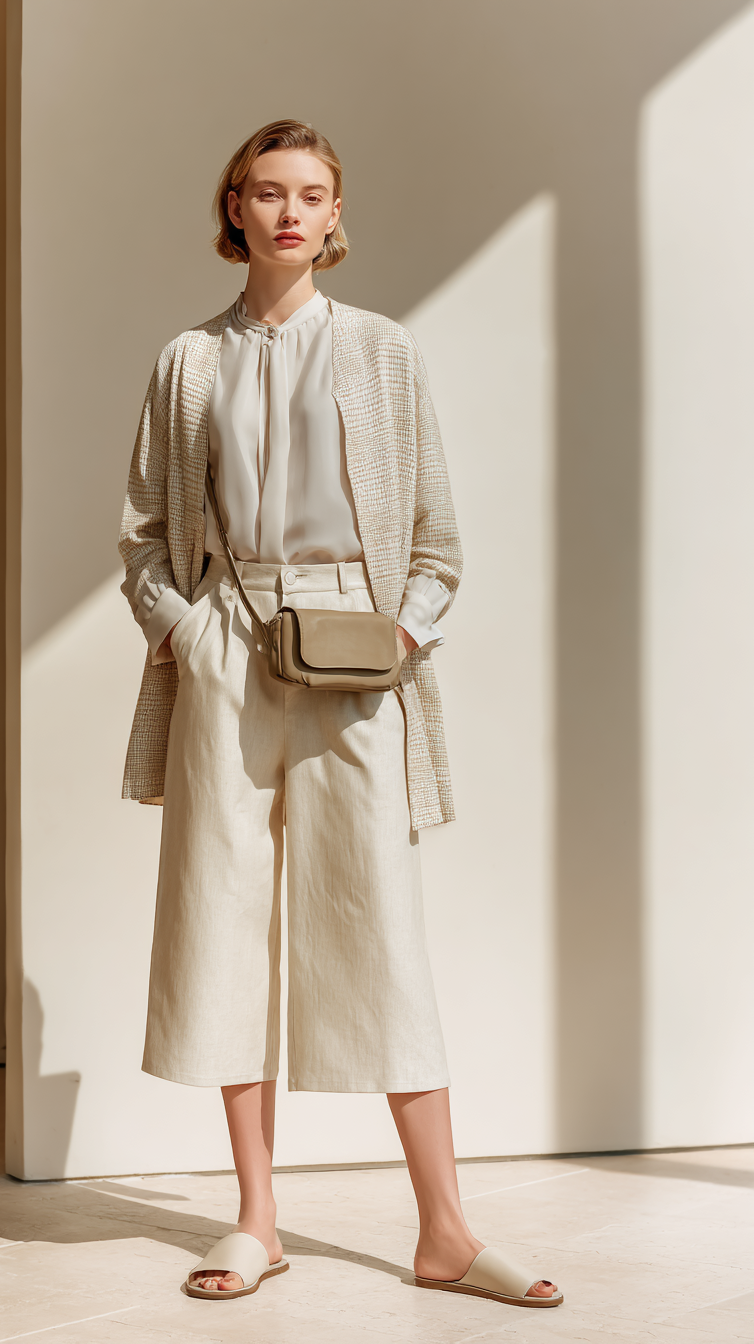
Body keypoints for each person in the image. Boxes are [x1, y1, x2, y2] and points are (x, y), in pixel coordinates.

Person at [118, 119, 562, 1309]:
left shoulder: (379, 353)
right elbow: (146, 539)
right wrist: (185, 633)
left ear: (333, 213)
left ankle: (446, 1232)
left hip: (352, 661)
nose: (288, 213)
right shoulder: (186, 363)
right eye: (266, 192)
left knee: (378, 935)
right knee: (223, 931)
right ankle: (258, 1221)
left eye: (309, 193)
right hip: (227, 653)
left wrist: (398, 639)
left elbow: (436, 545)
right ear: (233, 207)